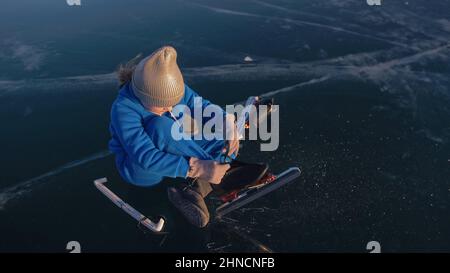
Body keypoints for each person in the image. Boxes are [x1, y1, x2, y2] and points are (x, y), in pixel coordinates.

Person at [108, 46, 239, 228]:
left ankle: (194, 188)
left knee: (220, 140)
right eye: (162, 106)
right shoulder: (123, 108)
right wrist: (197, 168)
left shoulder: (171, 89)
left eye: (173, 103)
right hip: (141, 170)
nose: (170, 109)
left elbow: (201, 106)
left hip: (169, 144)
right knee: (160, 125)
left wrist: (226, 120)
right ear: (143, 97)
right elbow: (145, 156)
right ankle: (213, 178)